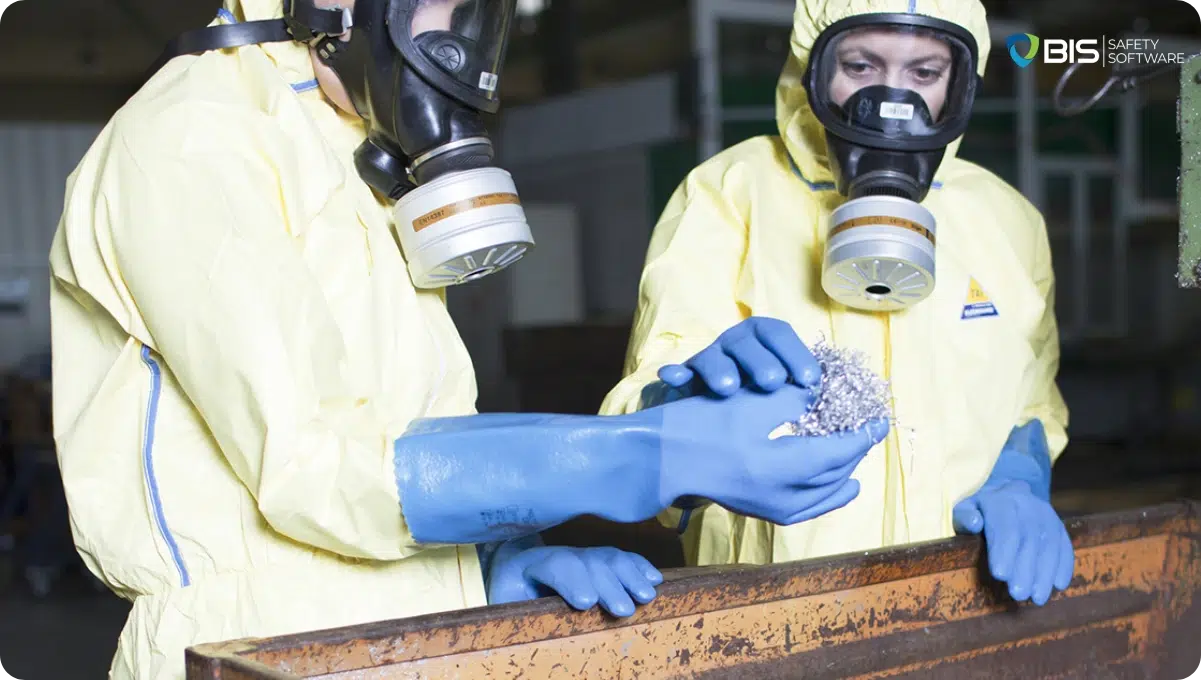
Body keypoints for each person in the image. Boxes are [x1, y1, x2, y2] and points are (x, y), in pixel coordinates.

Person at [48, 1, 886, 677]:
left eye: (479, 19)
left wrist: (494, 562)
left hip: (420, 636)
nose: (459, 50)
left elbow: (405, 422)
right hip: (256, 649)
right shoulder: (196, 138)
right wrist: (639, 455)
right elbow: (314, 465)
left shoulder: (349, 140)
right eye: (440, 11)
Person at [601, 0, 1074, 609]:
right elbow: (639, 412)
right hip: (771, 611)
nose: (893, 103)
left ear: (960, 87)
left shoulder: (1006, 220)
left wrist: (1020, 475)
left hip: (956, 603)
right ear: (813, 67)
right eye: (861, 66)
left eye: (925, 73)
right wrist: (682, 416)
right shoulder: (730, 193)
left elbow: (1032, 400)